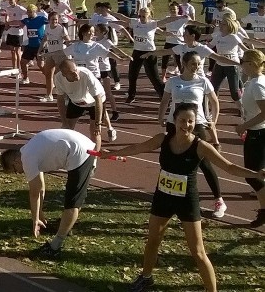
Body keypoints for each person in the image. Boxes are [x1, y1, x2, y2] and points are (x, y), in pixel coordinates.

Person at [107, 103, 265, 292]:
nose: (187, 124)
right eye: (183, 120)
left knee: (198, 251)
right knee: (153, 240)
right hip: (163, 197)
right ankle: (146, 277)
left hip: (187, 201)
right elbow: (136, 148)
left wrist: (256, 174)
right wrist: (110, 153)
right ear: (174, 120)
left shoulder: (201, 146)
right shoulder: (162, 139)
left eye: (191, 121)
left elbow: (229, 167)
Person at [0, 128, 98, 258]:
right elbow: (41, 188)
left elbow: (34, 193)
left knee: (72, 203)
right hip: (80, 147)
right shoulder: (28, 151)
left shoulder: (27, 159)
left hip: (81, 153)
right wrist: (40, 215)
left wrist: (35, 220)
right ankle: (65, 226)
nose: (19, 173)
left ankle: (55, 246)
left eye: (16, 171)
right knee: (73, 199)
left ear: (15, 162)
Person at [157, 51, 225, 217]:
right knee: (171, 159)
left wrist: (213, 121)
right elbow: (165, 101)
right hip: (175, 125)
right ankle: (172, 195)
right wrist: (161, 117)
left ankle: (219, 200)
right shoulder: (173, 81)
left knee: (204, 163)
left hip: (197, 125)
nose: (197, 67)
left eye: (199, 64)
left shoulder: (203, 82)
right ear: (184, 64)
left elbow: (215, 103)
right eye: (193, 64)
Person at [237, 49, 265, 227]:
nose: (241, 64)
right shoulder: (253, 82)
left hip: (259, 133)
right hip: (256, 132)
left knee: (252, 175)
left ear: (252, 64)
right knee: (257, 173)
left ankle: (264, 211)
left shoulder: (257, 85)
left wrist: (244, 126)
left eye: (243, 61)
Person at [54, 60, 104, 149]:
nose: (76, 75)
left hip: (94, 102)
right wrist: (64, 121)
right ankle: (66, 152)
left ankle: (94, 159)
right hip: (76, 101)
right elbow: (60, 100)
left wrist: (98, 123)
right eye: (72, 73)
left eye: (76, 71)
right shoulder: (58, 78)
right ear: (64, 74)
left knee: (95, 132)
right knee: (66, 129)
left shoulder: (86, 74)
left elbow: (98, 99)